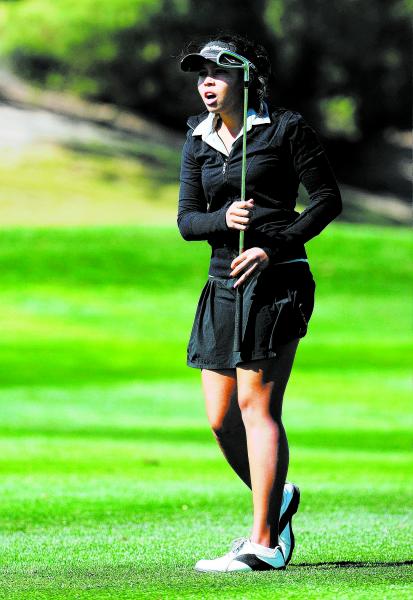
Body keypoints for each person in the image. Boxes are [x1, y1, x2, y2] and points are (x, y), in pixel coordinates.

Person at [177, 34, 342, 573]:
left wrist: (274, 247)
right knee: (221, 419)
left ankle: (265, 543)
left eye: (217, 73)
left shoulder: (286, 128)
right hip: (221, 285)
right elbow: (186, 222)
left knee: (256, 408)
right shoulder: (197, 141)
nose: (206, 82)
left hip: (278, 281)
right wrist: (222, 221)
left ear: (245, 78)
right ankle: (278, 497)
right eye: (200, 74)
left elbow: (327, 200)